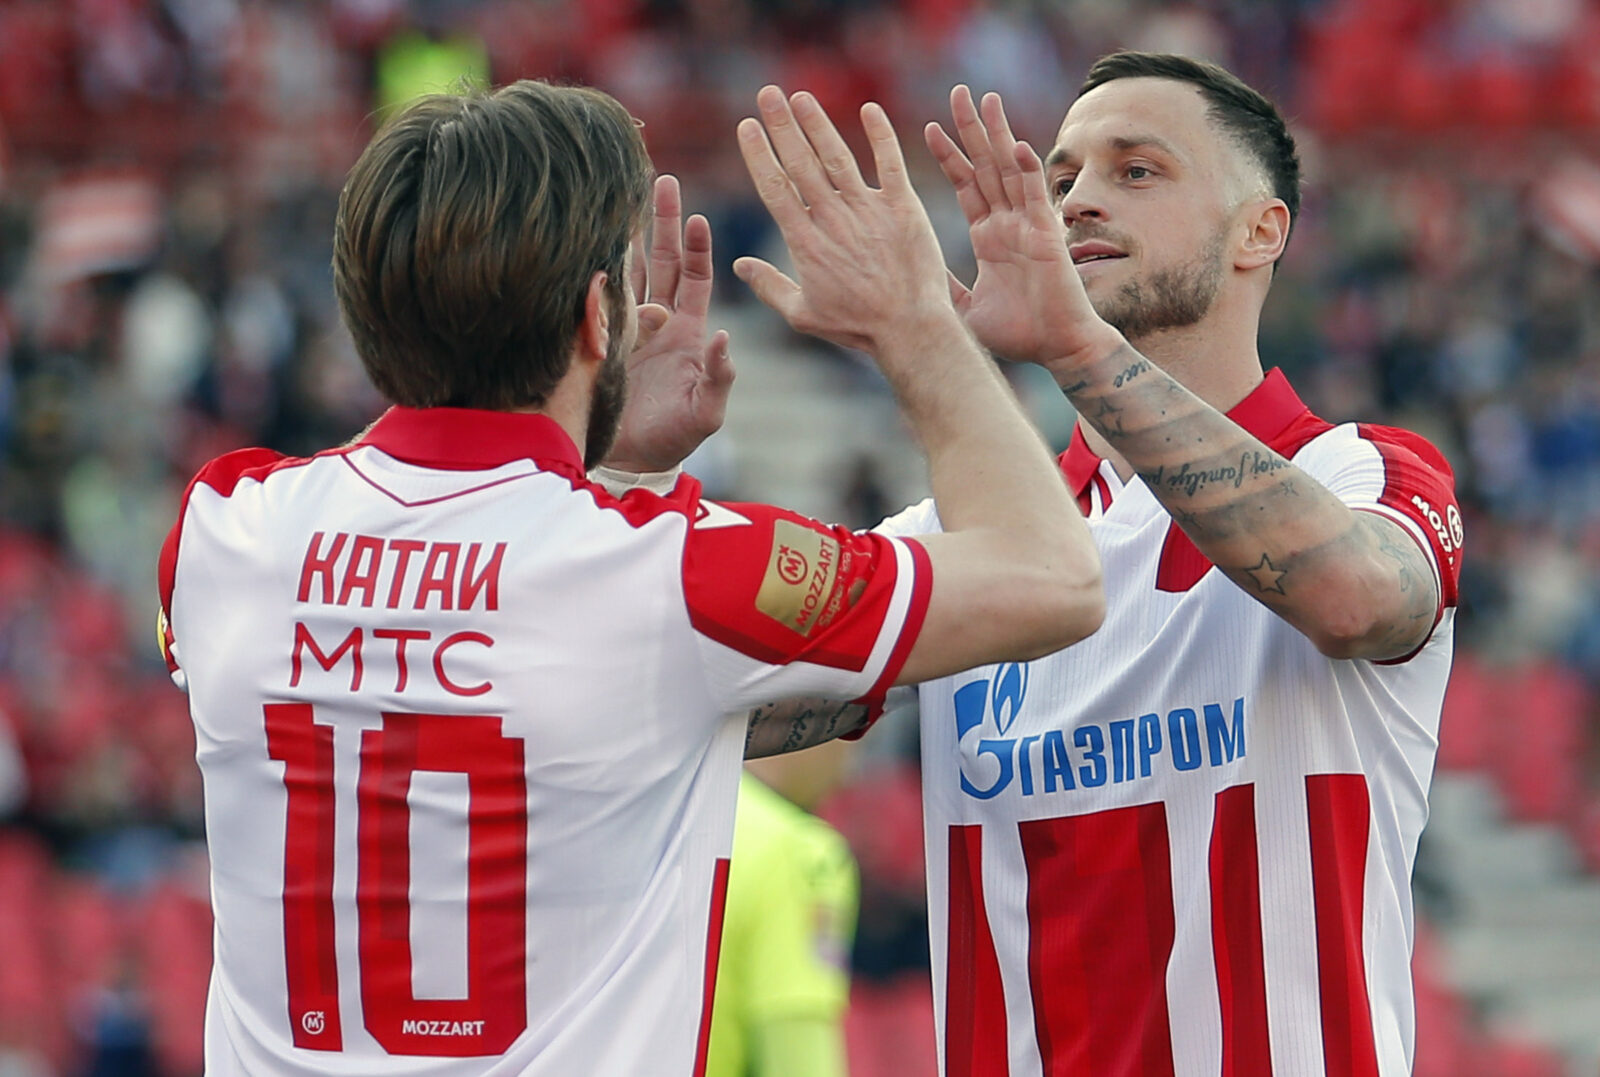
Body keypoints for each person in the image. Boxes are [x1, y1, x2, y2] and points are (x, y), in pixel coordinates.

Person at [155, 80, 1102, 1075]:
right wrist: (915, 320)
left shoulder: (221, 532)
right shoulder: (671, 573)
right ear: (601, 317)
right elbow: (1052, 577)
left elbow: (435, 606)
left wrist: (607, 457)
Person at [738, 53, 1463, 1075]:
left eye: (1136, 170)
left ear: (1261, 231)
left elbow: (1354, 600)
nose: (1075, 199)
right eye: (1063, 172)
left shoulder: (1366, 472)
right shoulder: (970, 540)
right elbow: (721, 713)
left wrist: (1069, 347)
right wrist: (621, 465)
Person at [704, 743, 859, 1077]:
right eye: (856, 723)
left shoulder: (649, 821)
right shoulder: (794, 853)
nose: (847, 772)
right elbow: (797, 1058)